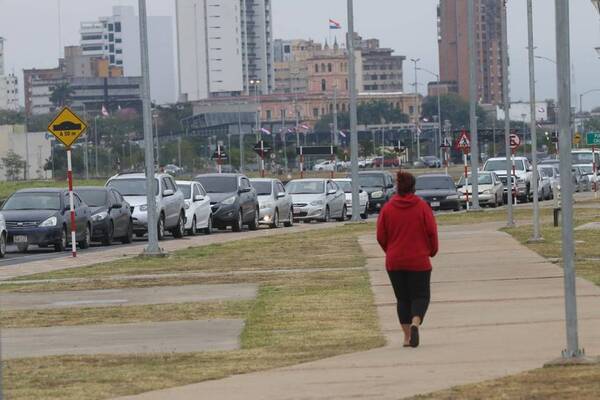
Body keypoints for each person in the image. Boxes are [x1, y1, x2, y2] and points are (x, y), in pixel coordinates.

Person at [376, 171, 438, 348]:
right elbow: (431, 232)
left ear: (397, 187)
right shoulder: (422, 207)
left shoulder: (387, 208)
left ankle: (406, 337)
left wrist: (390, 251)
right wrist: (432, 251)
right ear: (413, 187)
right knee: (421, 296)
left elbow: (381, 235)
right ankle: (415, 322)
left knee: (402, 299)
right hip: (418, 260)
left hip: (395, 261)